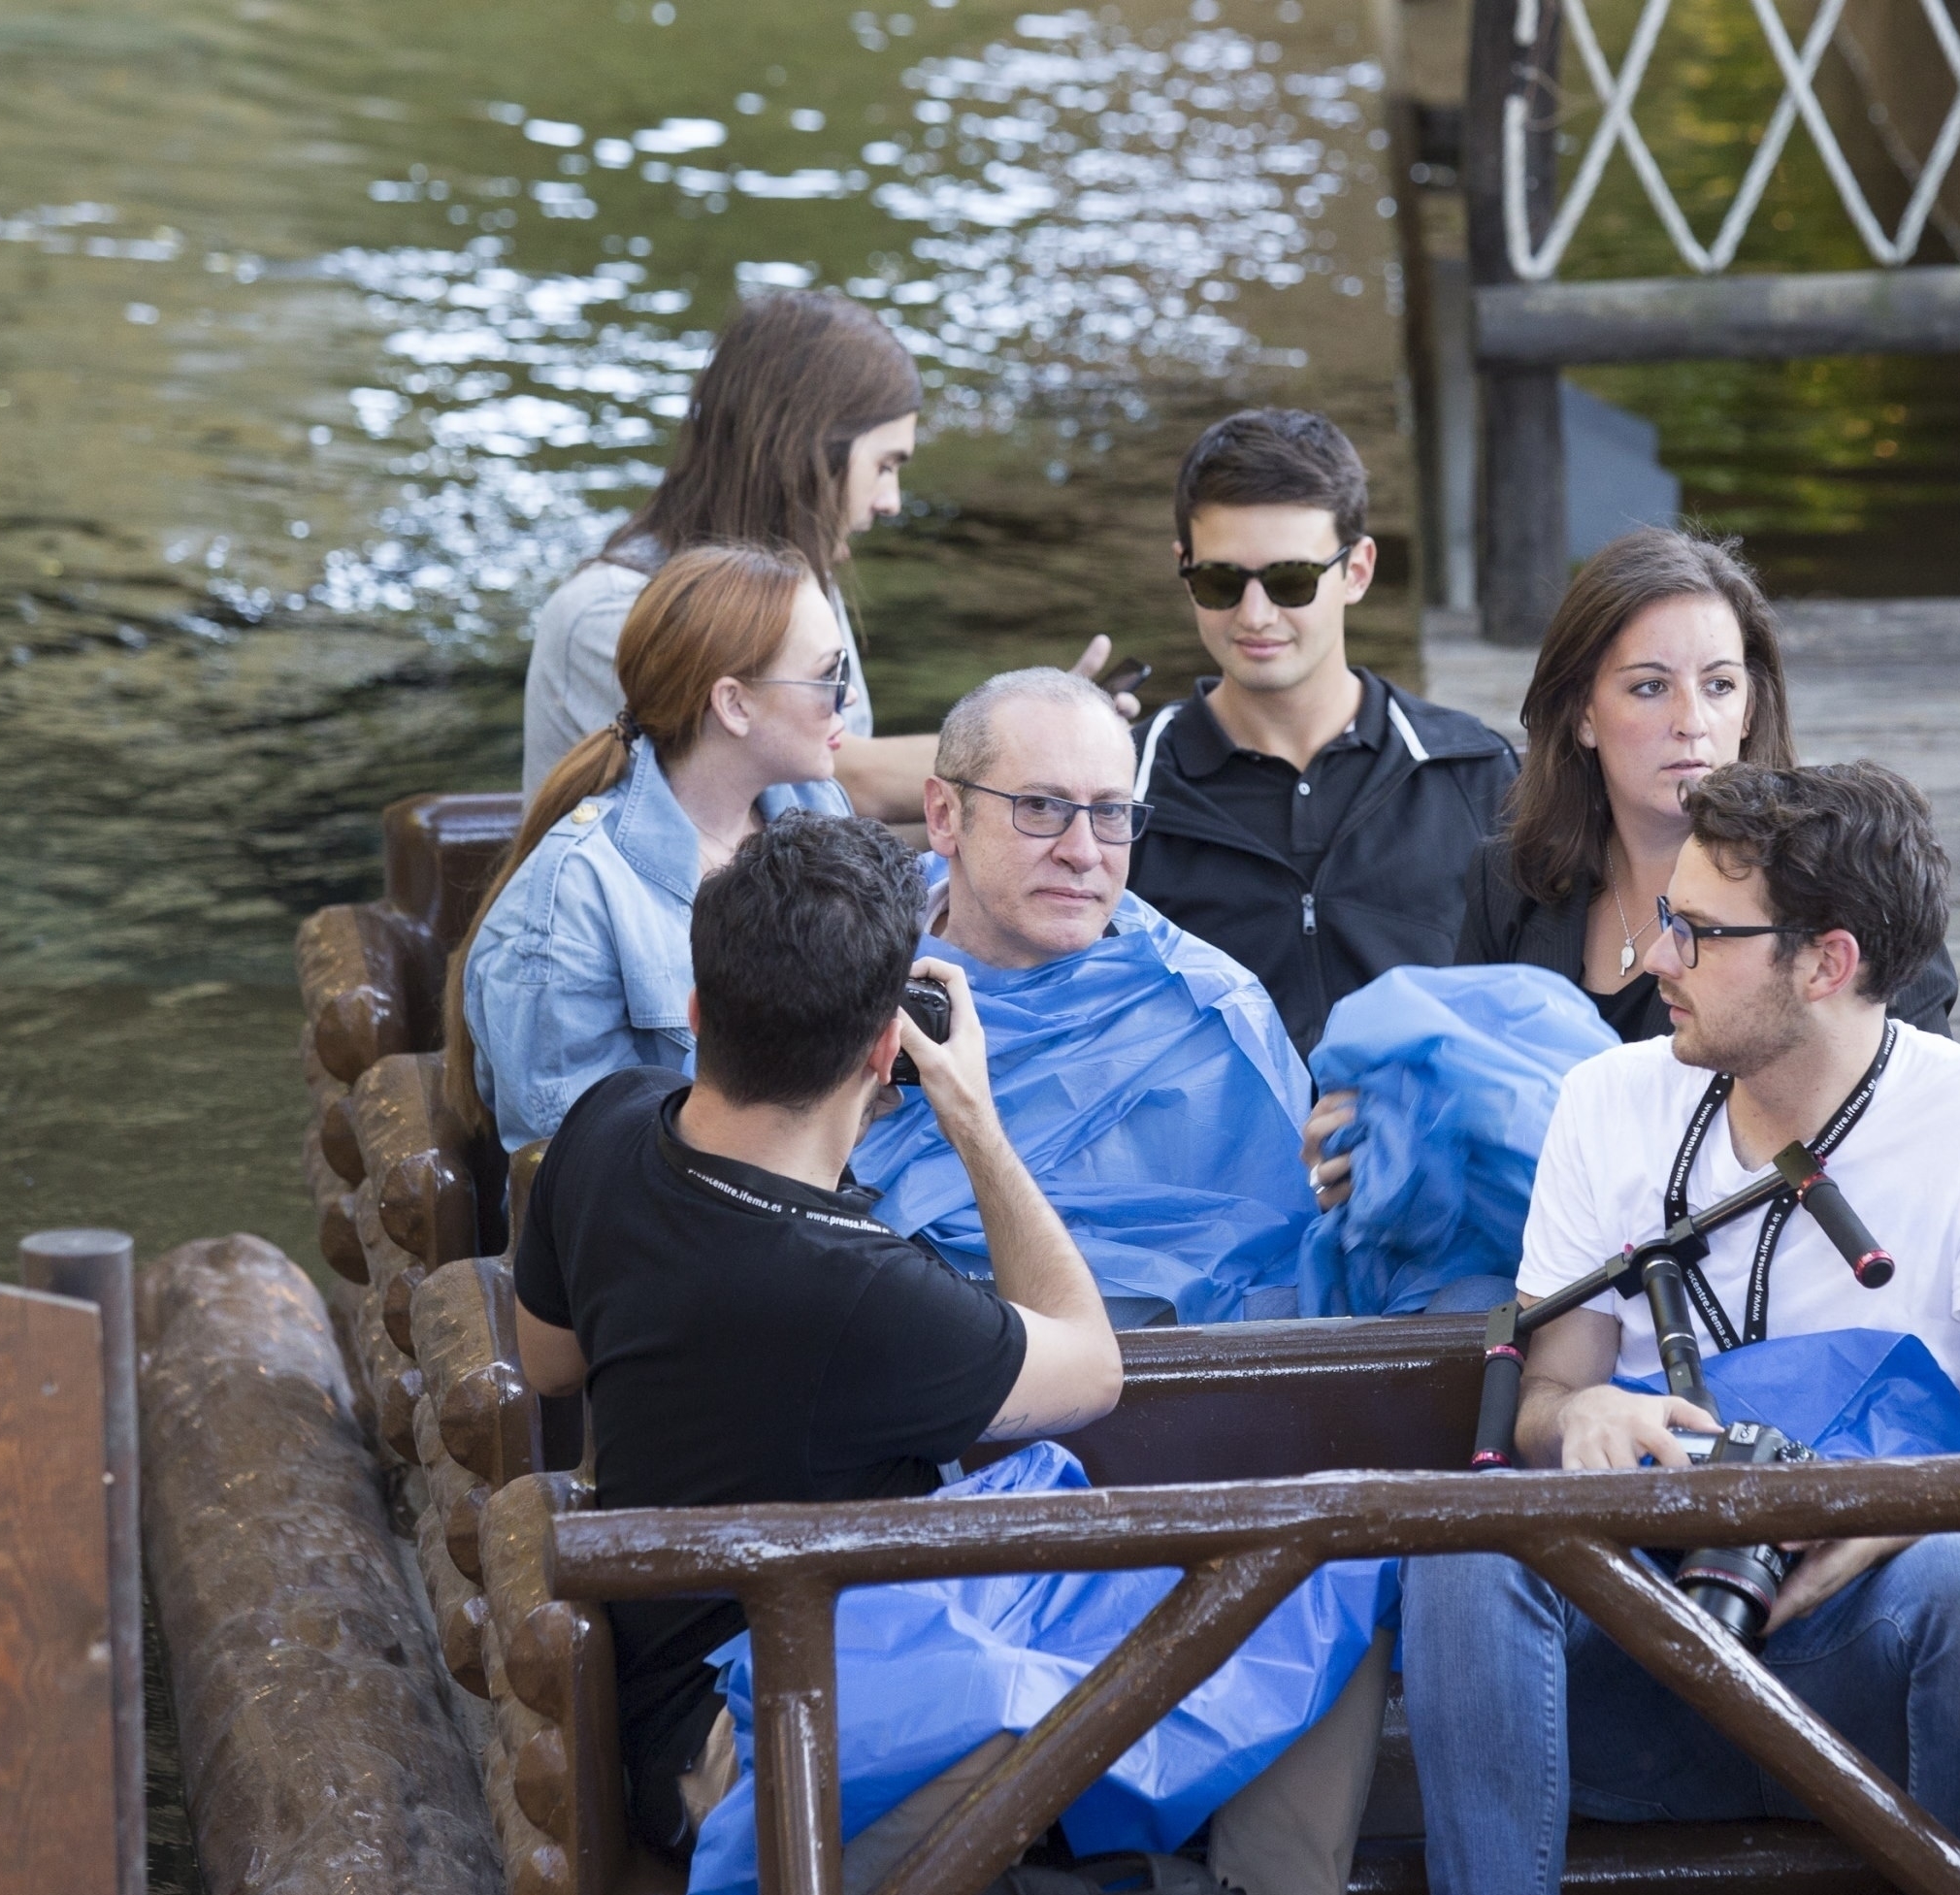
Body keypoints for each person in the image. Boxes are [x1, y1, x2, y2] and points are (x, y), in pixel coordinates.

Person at [510, 813, 1388, 1895]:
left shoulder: (609, 1122)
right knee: (1322, 1577)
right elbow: (1090, 1364)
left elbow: (550, 1358)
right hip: (763, 1754)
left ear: (696, 1011)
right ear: (890, 1049)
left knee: (1288, 1589)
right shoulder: (864, 1290)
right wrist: (974, 1115)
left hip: (712, 1688)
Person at [1397, 762, 1960, 1895]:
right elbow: (1544, 1392)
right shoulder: (1605, 1098)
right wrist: (1577, 1414)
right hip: (1641, 1659)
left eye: (1698, 931)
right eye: (1661, 916)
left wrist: (1880, 1513)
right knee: (1467, 1547)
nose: (1654, 957)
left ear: (1826, 962)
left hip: (1874, 1675)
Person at [1303, 524, 1956, 1214]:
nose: (1692, 720)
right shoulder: (1510, 882)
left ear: (1750, 708)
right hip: (1543, 1256)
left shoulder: (1851, 882)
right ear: (1583, 715)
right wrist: (1372, 1148)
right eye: (1650, 687)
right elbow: (1462, 1101)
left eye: (1719, 685)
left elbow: (1919, 1138)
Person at [522, 288, 1127, 821]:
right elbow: (844, 781)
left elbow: (841, 821)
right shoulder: (617, 614)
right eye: (884, 465)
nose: (891, 501)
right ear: (807, 454)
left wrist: (1050, 786)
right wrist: (1032, 744)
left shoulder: (805, 590)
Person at [850, 668, 1315, 1326]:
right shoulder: (840, 970)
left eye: (1110, 812)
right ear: (944, 816)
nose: (1083, 851)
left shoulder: (1212, 1016)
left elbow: (1281, 1295)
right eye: (1041, 807)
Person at [1125, 409, 1519, 1052]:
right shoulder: (1121, 791)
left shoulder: (1473, 772)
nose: (1256, 615)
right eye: (1221, 581)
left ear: (1356, 571)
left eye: (1290, 580)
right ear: (1183, 567)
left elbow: (1540, 1017)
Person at [448, 542, 851, 1147]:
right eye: (828, 676)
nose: (848, 698)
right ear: (733, 704)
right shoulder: (572, 902)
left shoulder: (818, 808)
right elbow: (580, 1164)